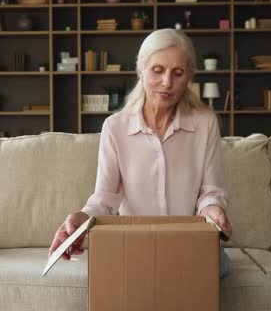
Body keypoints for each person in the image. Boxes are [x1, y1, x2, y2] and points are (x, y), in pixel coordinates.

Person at [48, 28, 232, 278]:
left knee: (212, 268)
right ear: (140, 69)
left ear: (189, 76)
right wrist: (81, 218)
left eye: (178, 73)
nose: (167, 82)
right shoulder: (115, 127)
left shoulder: (205, 123)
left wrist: (213, 211)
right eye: (158, 70)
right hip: (135, 245)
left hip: (188, 244)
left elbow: (210, 193)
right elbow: (105, 199)